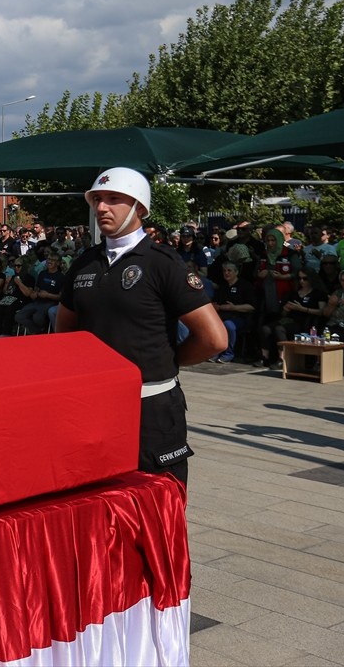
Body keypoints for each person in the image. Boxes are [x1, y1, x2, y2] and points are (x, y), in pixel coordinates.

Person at [56, 167, 226, 486]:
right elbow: (64, 332)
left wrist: (166, 360)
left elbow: (214, 338)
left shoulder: (163, 262)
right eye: (97, 200)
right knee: (100, 505)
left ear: (139, 208)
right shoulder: (84, 263)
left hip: (150, 409)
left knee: (157, 510)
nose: (101, 207)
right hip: (95, 407)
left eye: (114, 199)